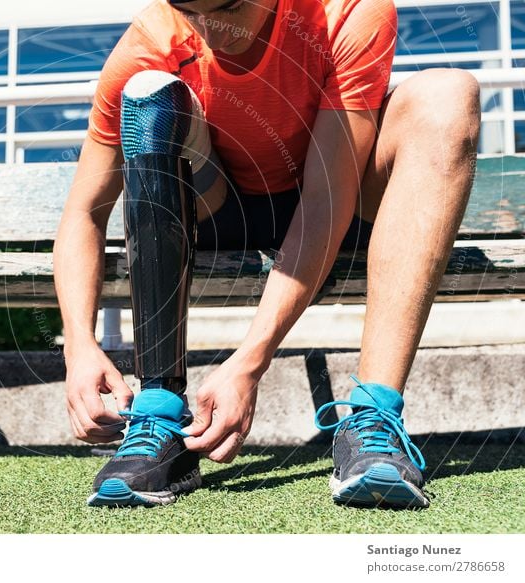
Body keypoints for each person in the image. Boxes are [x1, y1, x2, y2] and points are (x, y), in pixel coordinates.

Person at [53, 0, 480, 509]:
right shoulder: (151, 42)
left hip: (335, 200)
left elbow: (325, 202)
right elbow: (84, 212)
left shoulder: (347, 11)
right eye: (191, 11)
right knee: (148, 94)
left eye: (231, 7)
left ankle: (373, 422)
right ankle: (159, 415)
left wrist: (249, 363)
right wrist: (78, 344)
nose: (214, 30)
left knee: (448, 94)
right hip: (219, 212)